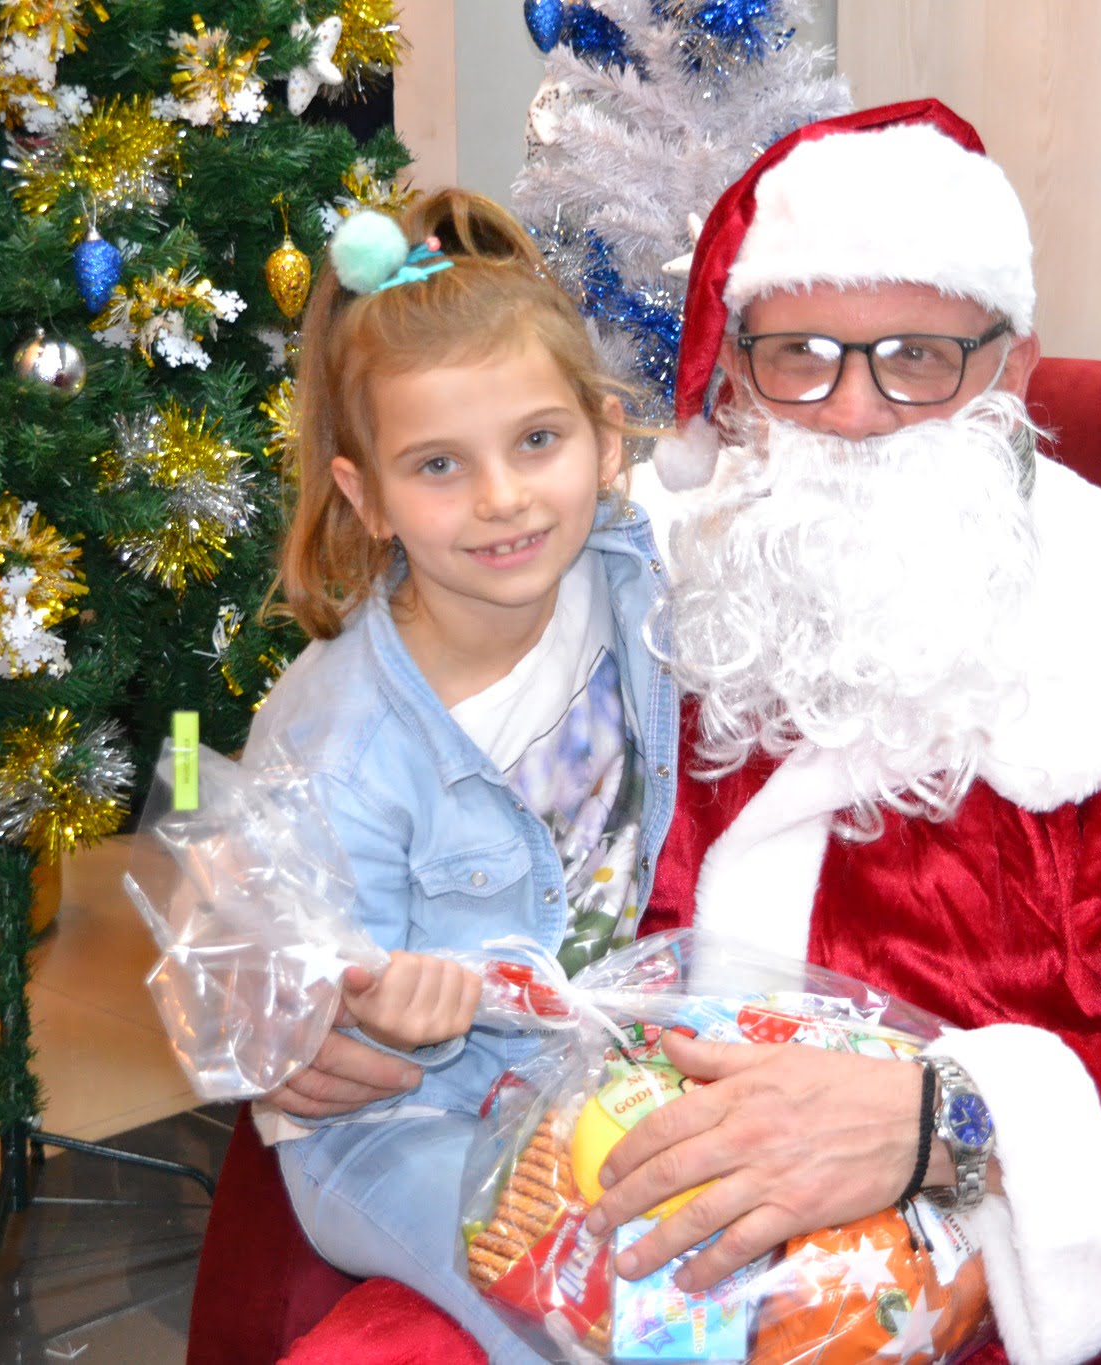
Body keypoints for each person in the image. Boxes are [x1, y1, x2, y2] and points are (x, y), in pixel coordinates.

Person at [271, 102, 1101, 1365]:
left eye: (916, 359)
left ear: (1012, 367)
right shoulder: (620, 562)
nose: (850, 411)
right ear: (735, 371)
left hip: (926, 1269)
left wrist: (947, 1121)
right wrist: (299, 1015)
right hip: (578, 1183)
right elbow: (371, 774)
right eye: (800, 357)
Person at [248, 187, 676, 1354]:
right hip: (401, 1124)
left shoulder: (625, 575)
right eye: (438, 464)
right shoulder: (341, 746)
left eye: (537, 441)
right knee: (567, 1293)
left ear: (605, 439)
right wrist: (371, 1000)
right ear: (367, 498)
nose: (501, 499)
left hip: (587, 1066)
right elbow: (268, 961)